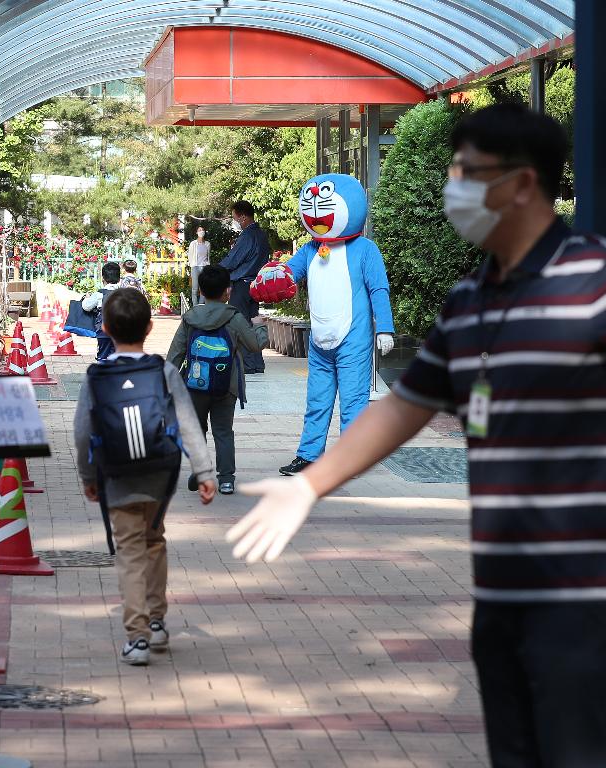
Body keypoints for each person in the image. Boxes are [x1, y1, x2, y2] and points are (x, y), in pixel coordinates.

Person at [228, 104, 606, 767]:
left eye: (467, 171)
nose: (454, 186)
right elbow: (403, 408)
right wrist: (310, 485)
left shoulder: (593, 283)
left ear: (521, 183)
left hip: (585, 596)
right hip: (501, 591)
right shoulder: (470, 300)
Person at [74, 288, 216, 665]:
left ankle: (137, 636)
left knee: (130, 552)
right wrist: (204, 471)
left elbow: (82, 430)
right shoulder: (163, 371)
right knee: (154, 540)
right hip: (158, 474)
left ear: (103, 328)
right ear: (151, 327)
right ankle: (156, 621)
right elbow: (187, 422)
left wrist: (88, 476)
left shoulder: (96, 376)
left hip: (117, 478)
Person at [249, 174, 395, 476]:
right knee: (317, 399)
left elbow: (378, 289)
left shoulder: (365, 249)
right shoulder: (311, 249)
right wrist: (271, 278)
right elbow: (289, 273)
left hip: (353, 338)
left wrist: (385, 327)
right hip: (319, 338)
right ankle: (309, 454)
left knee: (353, 400)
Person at [167, 265, 268, 495]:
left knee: (197, 429)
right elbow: (254, 345)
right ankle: (226, 480)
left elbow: (176, 354)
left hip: (194, 384)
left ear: (201, 290)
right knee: (223, 431)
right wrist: (261, 327)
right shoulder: (234, 317)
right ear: (228, 292)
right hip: (227, 384)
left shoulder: (190, 318)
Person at [219, 201, 270, 373]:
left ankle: (248, 364)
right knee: (252, 323)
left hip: (241, 285)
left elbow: (233, 260)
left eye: (235, 218)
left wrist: (214, 270)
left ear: (243, 216)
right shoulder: (262, 235)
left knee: (240, 324)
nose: (235, 221)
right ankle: (257, 363)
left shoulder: (247, 236)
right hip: (255, 285)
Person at [82, 261, 121, 361]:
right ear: (119, 278)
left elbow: (86, 306)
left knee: (103, 356)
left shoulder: (99, 294)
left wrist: (86, 298)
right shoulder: (124, 294)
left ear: (103, 278)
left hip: (104, 332)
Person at [187, 225, 211, 306]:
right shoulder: (193, 243)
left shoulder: (207, 244)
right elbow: (190, 255)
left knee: (203, 288)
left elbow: (208, 256)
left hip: (204, 267)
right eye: (200, 230)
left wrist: (208, 265)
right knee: (195, 288)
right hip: (195, 266)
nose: (201, 231)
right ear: (197, 232)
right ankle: (195, 306)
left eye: (202, 230)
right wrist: (191, 266)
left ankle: (200, 305)